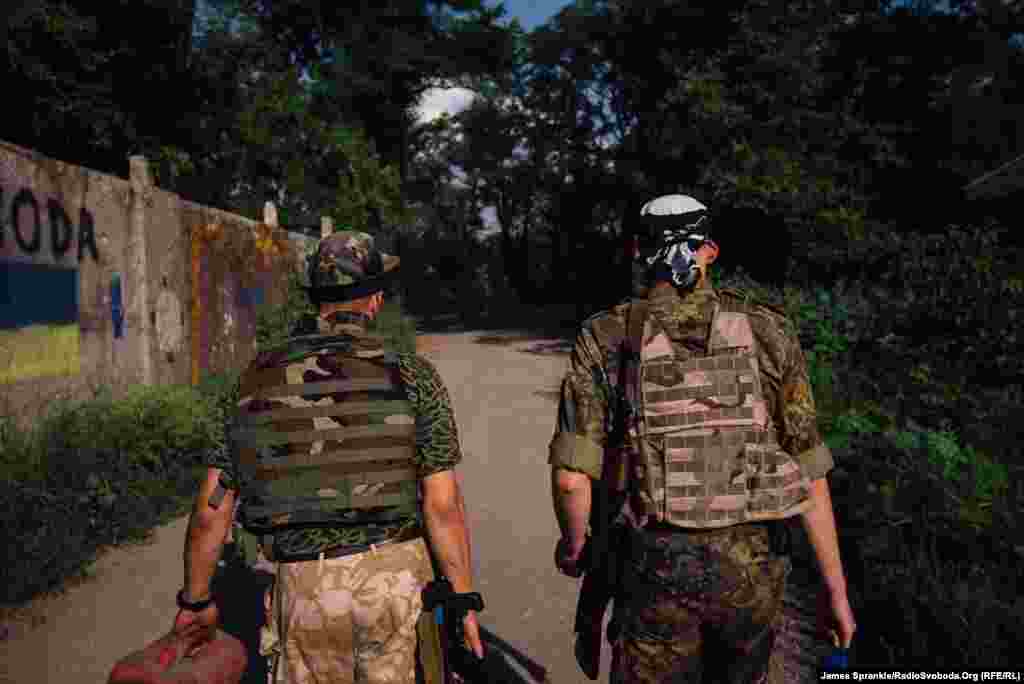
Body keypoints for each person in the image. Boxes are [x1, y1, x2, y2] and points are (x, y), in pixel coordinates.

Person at [550, 194, 856, 683]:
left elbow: (571, 480)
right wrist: (836, 592)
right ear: (710, 250)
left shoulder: (606, 336)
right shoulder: (769, 331)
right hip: (753, 575)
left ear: (636, 250)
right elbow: (809, 471)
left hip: (652, 572)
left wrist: (575, 547)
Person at [173, 230, 483, 683]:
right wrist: (463, 602)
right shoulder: (413, 375)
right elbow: (443, 505)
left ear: (316, 299)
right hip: (396, 591)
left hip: (304, 593)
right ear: (374, 300)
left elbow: (210, 510)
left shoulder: (252, 381)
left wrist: (195, 601)